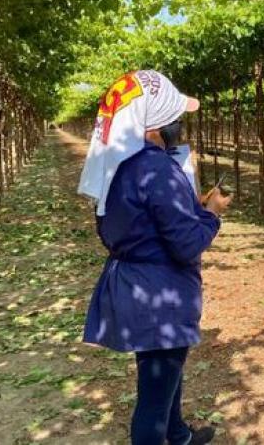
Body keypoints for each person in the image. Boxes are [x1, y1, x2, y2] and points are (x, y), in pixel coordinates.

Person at [78, 70, 230, 445]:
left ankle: (178, 435)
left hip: (134, 286)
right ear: (153, 126)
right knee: (153, 399)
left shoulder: (118, 165)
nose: (179, 126)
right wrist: (211, 213)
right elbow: (187, 244)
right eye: (174, 119)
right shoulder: (158, 169)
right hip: (161, 293)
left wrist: (181, 209)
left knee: (162, 374)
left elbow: (121, 226)